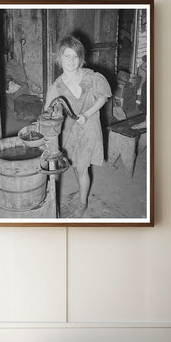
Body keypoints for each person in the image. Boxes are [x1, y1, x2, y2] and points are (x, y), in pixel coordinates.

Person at [44, 35, 112, 218]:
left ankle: (83, 203)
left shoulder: (91, 76)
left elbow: (103, 97)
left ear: (81, 58)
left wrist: (86, 114)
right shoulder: (57, 86)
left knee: (82, 167)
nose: (71, 61)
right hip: (70, 131)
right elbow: (47, 112)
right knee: (74, 164)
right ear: (60, 58)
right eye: (67, 56)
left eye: (75, 56)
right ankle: (83, 191)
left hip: (89, 127)